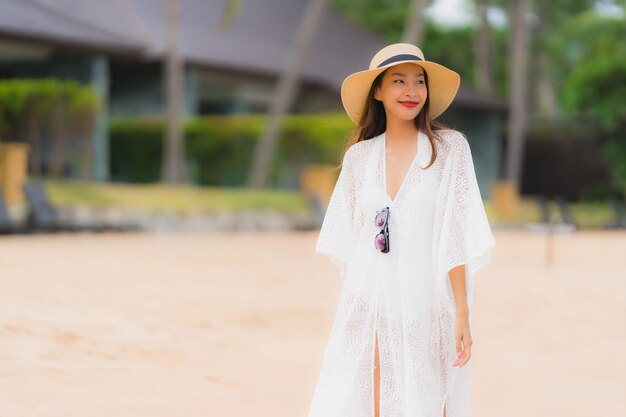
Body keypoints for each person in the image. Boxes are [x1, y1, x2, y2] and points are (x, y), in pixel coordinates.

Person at [308, 43, 495, 417]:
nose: (411, 92)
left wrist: (461, 311)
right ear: (378, 91)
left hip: (428, 298)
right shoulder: (359, 158)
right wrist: (357, 305)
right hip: (370, 297)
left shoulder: (449, 150)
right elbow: (350, 240)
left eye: (419, 82)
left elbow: (455, 233)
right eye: (399, 81)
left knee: (432, 392)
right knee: (372, 396)